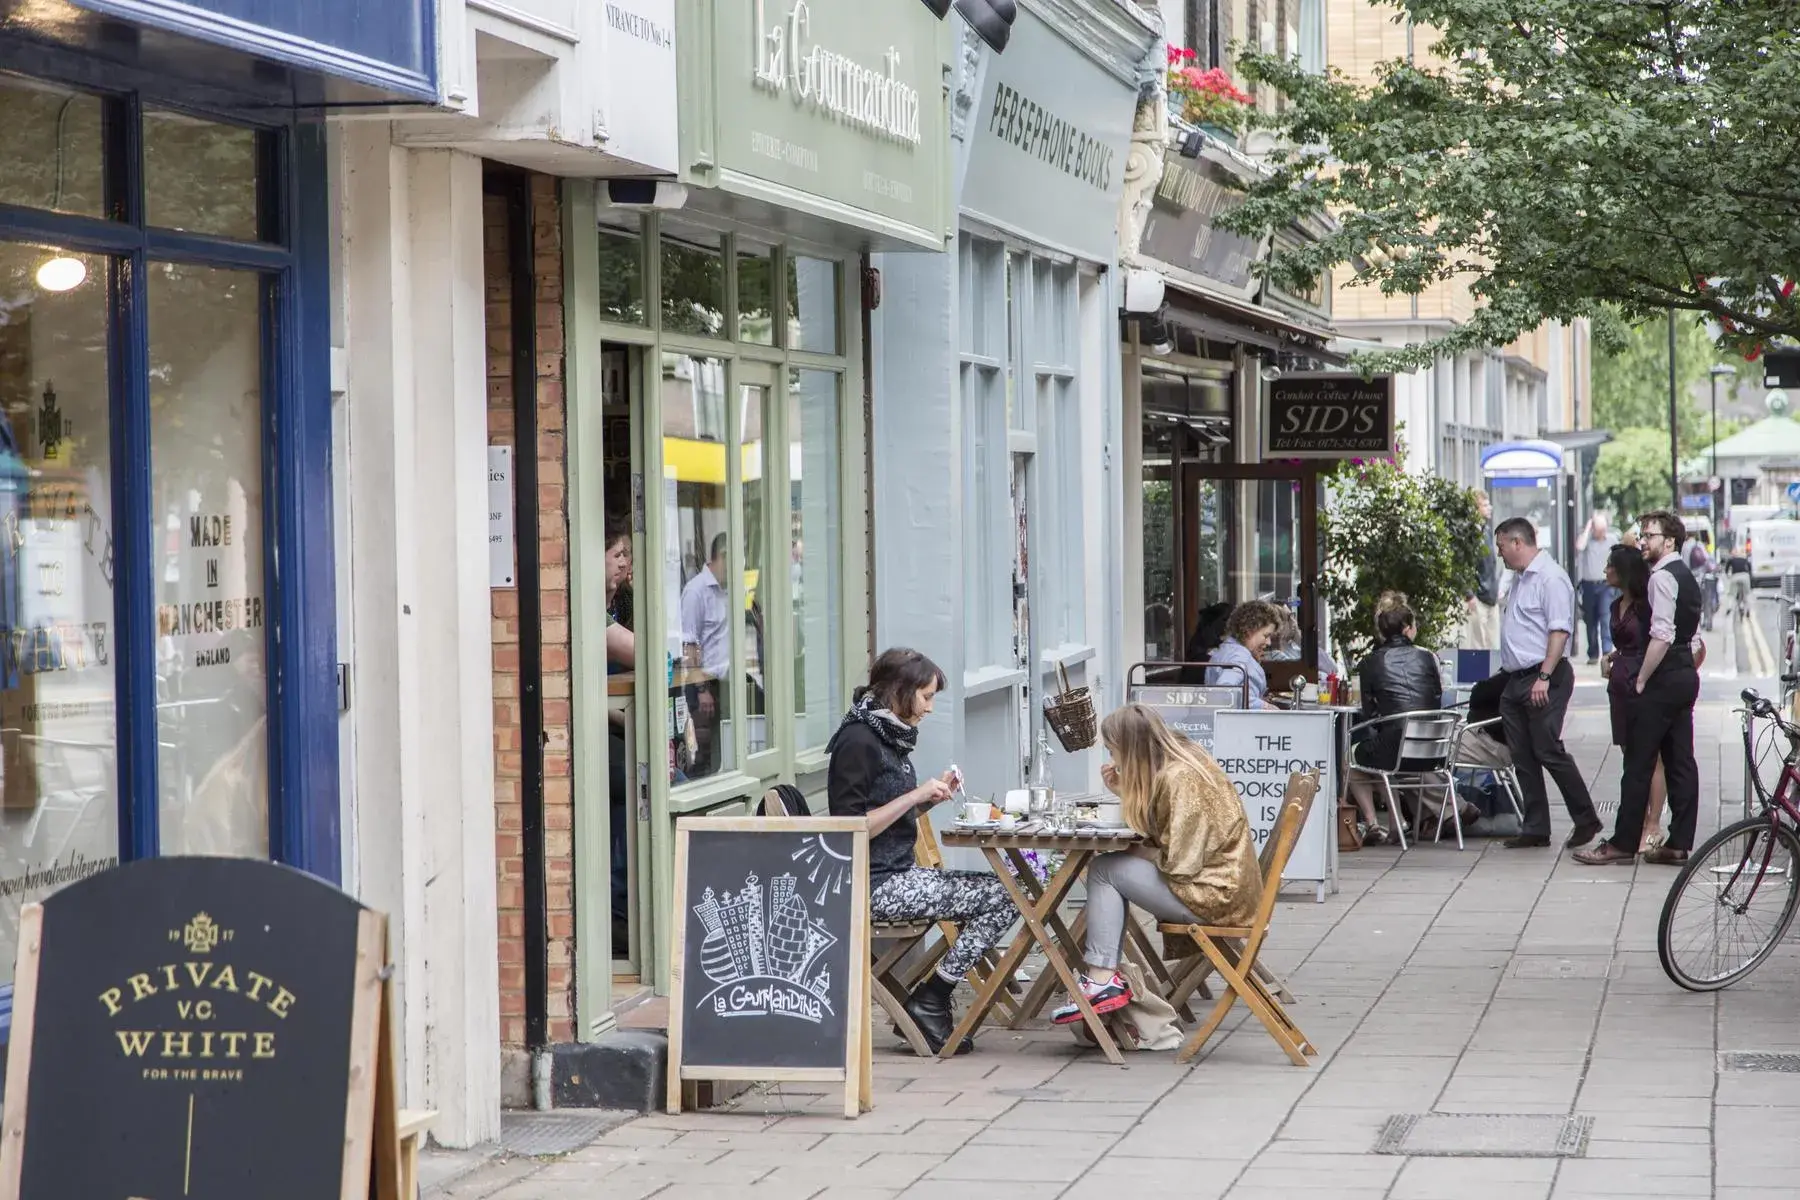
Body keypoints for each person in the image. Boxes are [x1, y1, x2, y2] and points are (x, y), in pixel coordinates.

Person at [827, 648, 1016, 1054]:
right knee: (1008, 895)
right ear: (900, 690)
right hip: (872, 885)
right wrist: (913, 795)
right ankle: (932, 997)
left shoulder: (886, 733)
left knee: (1009, 890)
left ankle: (932, 995)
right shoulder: (859, 740)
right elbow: (848, 828)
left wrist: (930, 798)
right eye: (927, 697)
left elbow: (888, 814)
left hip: (898, 876)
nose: (929, 708)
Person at [1049, 704, 1261, 1025]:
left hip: (1215, 897)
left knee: (1104, 870)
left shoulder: (1179, 779)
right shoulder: (1184, 759)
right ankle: (1102, 978)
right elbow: (1164, 836)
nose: (1112, 759)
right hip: (1228, 888)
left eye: (1112, 750)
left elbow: (1179, 863)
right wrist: (1125, 793)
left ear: (1130, 749)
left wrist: (1136, 844)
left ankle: (1102, 979)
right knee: (1109, 866)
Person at [1576, 510, 1704, 866]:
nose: (1644, 541)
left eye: (1650, 536)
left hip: (1662, 677)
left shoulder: (1662, 578)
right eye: (1643, 534)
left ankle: (1622, 843)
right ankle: (1679, 842)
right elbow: (1691, 636)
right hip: (1683, 676)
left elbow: (1661, 634)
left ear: (1670, 541)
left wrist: (1642, 678)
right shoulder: (1687, 577)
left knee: (1638, 763)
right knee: (1680, 761)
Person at [1494, 517, 1604, 850]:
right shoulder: (1519, 579)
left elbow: (1560, 631)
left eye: (1500, 547)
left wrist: (1544, 675)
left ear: (1517, 543)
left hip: (1544, 677)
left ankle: (1586, 819)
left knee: (1547, 749)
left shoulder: (1551, 578)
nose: (1498, 553)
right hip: (1515, 679)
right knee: (1522, 756)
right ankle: (1536, 827)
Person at [1346, 593, 1464, 844]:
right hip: (1433, 751)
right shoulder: (1429, 657)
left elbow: (1369, 714)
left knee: (1353, 756)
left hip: (1395, 750)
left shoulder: (1370, 662)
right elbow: (1436, 696)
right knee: (1379, 752)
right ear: (1408, 628)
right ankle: (1396, 821)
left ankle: (1374, 822)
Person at [1597, 544, 1668, 852]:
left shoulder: (1646, 605)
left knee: (1650, 757)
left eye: (1610, 565)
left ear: (1624, 570)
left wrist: (1643, 676)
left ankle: (1653, 825)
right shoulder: (1616, 605)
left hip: (1642, 681)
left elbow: (1657, 640)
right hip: (1619, 685)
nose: (1606, 570)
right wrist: (1610, 657)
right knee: (1630, 755)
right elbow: (1625, 641)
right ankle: (1636, 821)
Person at [603, 516, 635, 943]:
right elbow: (645, 653)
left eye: (627, 554)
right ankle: (620, 909)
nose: (625, 563)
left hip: (618, 726)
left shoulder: (617, 605)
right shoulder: (592, 610)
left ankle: (622, 905)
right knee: (635, 779)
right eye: (617, 554)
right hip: (598, 734)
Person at [680, 532, 731, 778]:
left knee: (724, 751)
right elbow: (688, 646)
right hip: (704, 686)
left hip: (726, 683)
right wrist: (702, 691)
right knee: (704, 756)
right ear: (722, 557)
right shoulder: (696, 591)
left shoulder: (727, 590)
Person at [1206, 600, 1286, 709]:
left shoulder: (1224, 650)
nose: (1269, 642)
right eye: (1266, 635)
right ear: (1249, 630)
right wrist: (1264, 706)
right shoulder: (1239, 656)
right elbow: (1225, 692)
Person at [1575, 512, 1618, 664]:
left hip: (1605, 585)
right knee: (1590, 621)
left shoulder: (1612, 540)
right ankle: (1593, 653)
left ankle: (1607, 652)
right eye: (1598, 529)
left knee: (1606, 618)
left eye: (1603, 529)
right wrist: (1588, 527)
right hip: (1589, 585)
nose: (1602, 533)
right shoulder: (1587, 541)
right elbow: (1579, 546)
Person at [1461, 492, 1501, 651]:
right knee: (1478, 645)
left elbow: (1490, 564)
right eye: (1484, 505)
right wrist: (1469, 594)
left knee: (1493, 645)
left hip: (1491, 596)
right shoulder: (1469, 533)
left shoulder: (1486, 531)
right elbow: (1463, 566)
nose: (1489, 508)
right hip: (1478, 597)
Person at [1724, 542, 1753, 620]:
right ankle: (1748, 610)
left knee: (1731, 594)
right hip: (1745, 576)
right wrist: (1749, 575)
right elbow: (1749, 568)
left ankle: (1729, 608)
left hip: (1735, 577)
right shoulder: (1744, 559)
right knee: (1747, 594)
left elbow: (1726, 569)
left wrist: (1727, 575)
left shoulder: (1732, 559)